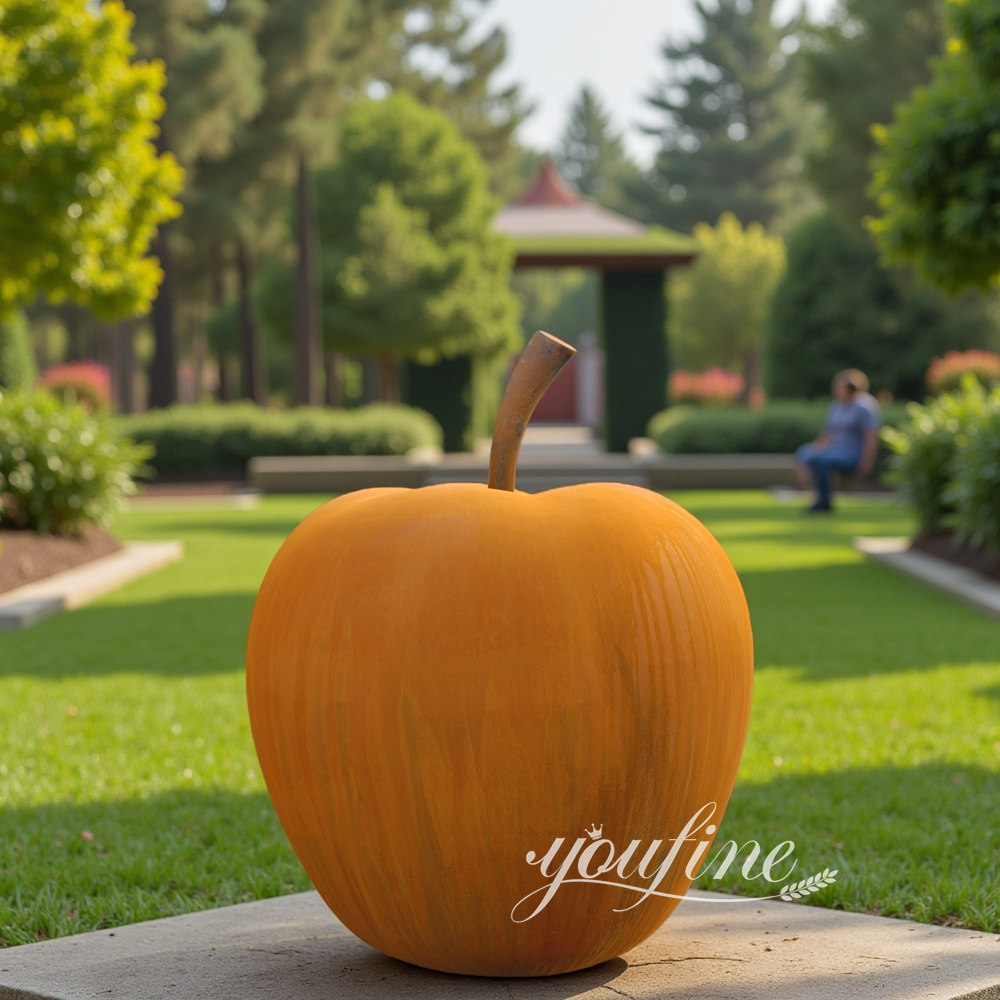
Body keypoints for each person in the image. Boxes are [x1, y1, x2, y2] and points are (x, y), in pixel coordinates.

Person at [795, 369, 881, 513]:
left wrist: (867, 462)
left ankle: (824, 502)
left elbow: (871, 436)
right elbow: (828, 432)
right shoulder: (837, 406)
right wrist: (817, 447)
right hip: (834, 450)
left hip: (852, 453)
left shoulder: (864, 406)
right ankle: (814, 496)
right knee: (806, 453)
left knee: (820, 460)